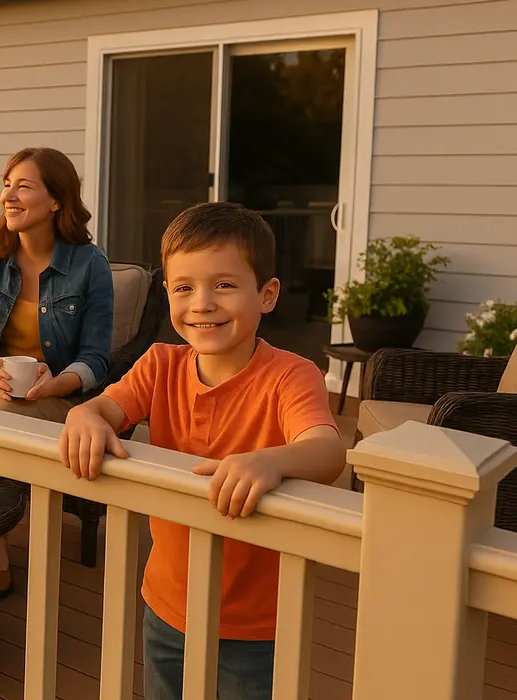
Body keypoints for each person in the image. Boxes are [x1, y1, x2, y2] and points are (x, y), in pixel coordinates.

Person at [58, 202, 345, 700]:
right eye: (184, 287)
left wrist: (272, 459)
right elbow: (104, 408)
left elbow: (327, 450)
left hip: (254, 620)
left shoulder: (291, 375)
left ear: (267, 294)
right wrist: (83, 415)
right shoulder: (160, 364)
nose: (202, 304)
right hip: (167, 602)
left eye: (225, 285)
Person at [0, 146, 114, 598]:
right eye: (6, 185)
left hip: (58, 394)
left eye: (23, 187)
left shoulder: (89, 263)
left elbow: (97, 359)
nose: (8, 196)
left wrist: (56, 383)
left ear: (55, 200)